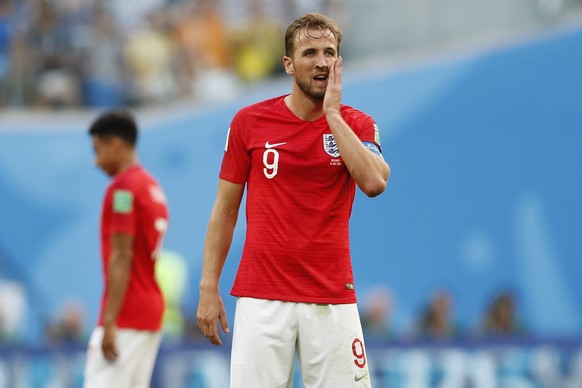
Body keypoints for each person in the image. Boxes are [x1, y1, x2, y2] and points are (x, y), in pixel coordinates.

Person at [196, 13, 390, 387]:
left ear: (339, 63)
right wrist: (208, 287)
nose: (321, 61)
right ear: (288, 64)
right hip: (262, 298)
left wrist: (332, 114)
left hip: (332, 296)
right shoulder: (249, 122)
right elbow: (225, 210)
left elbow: (374, 181)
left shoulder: (358, 124)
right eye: (310, 52)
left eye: (330, 53)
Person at [84, 110, 169, 388]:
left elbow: (122, 255)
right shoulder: (151, 186)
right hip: (149, 311)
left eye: (97, 150)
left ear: (115, 144)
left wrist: (110, 321)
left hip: (126, 314)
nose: (96, 162)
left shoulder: (122, 190)